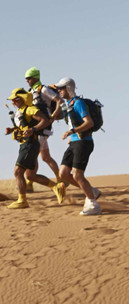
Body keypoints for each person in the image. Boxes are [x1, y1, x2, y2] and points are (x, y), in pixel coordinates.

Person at [54, 78, 101, 216]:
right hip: (74, 142)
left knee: (77, 174)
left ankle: (93, 204)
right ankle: (92, 191)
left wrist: (72, 131)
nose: (59, 91)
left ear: (68, 88)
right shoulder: (68, 104)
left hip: (84, 142)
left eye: (61, 88)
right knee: (63, 173)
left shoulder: (78, 103)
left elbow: (89, 123)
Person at [6, 88, 59, 209]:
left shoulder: (30, 109)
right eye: (12, 100)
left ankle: (22, 200)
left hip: (30, 144)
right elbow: (23, 126)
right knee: (30, 176)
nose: (13, 102)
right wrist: (12, 130)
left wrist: (33, 129)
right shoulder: (20, 111)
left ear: (22, 99)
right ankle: (56, 186)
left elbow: (45, 121)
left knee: (18, 172)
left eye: (15, 99)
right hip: (25, 144)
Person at [20, 68, 62, 181]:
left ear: (35, 78)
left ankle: (29, 182)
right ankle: (61, 179)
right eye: (26, 78)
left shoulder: (43, 89)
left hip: (42, 127)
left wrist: (53, 116)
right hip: (36, 128)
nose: (27, 80)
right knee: (45, 157)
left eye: (29, 78)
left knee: (33, 155)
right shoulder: (30, 91)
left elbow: (60, 101)